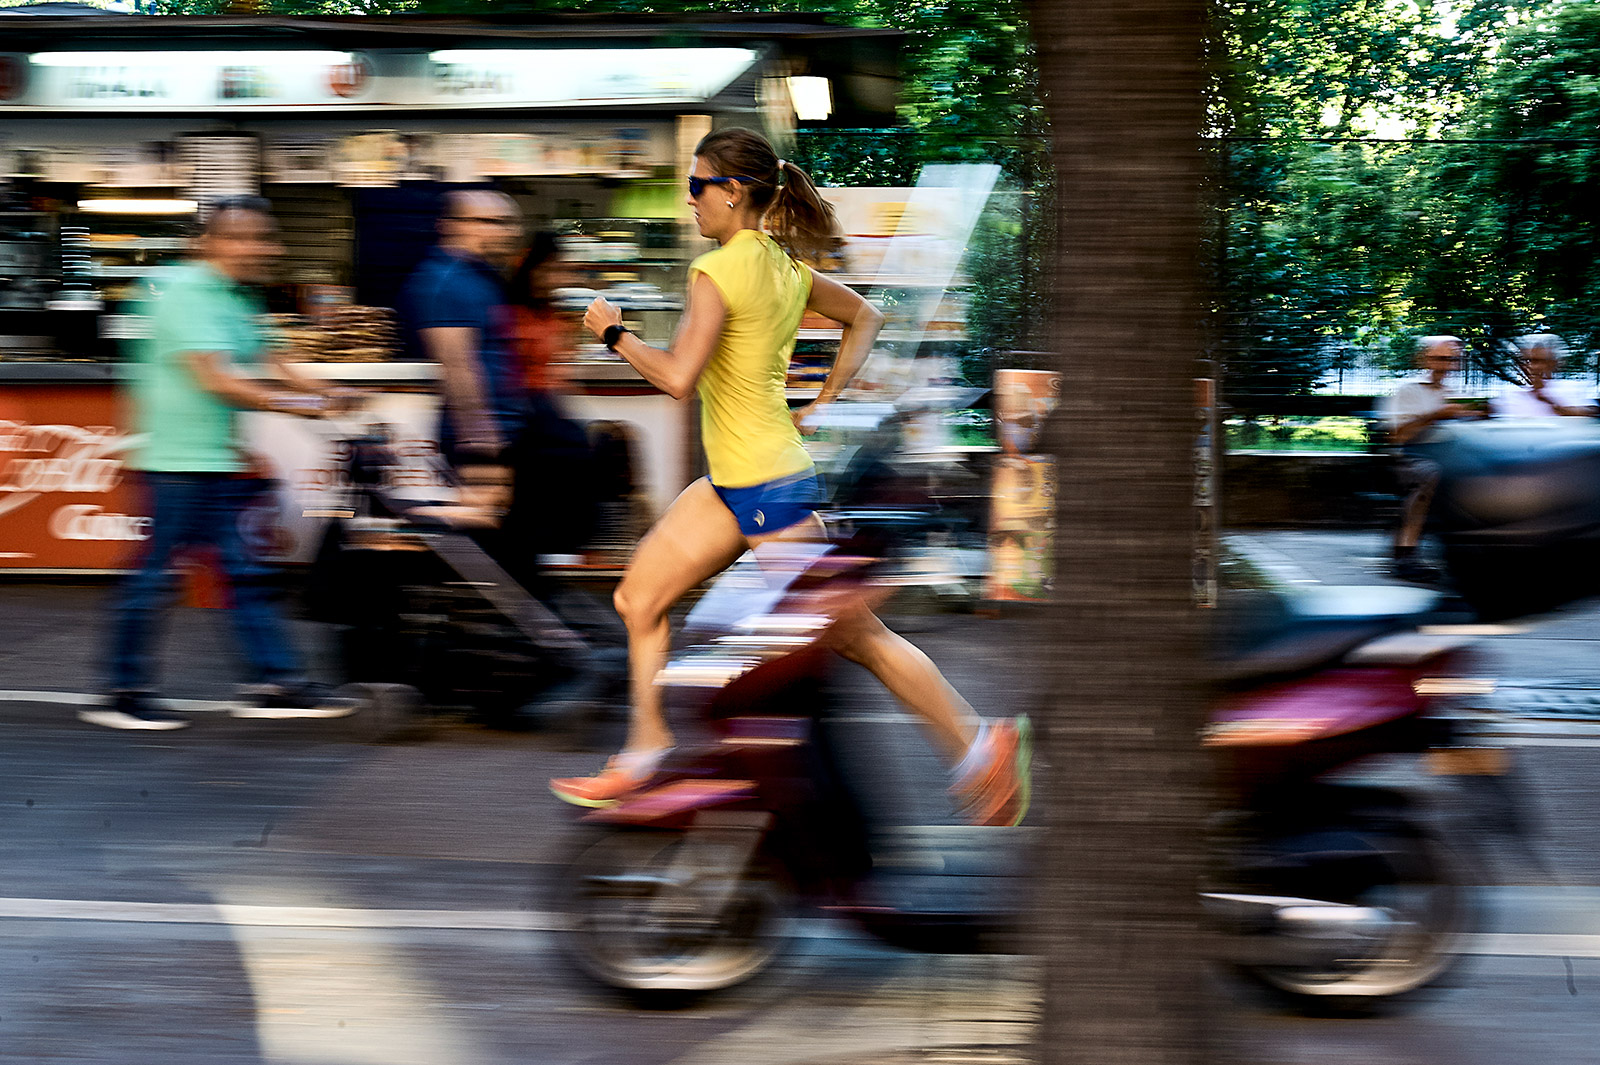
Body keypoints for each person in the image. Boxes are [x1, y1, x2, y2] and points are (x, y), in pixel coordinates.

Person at [549, 128, 1031, 827]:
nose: (689, 201)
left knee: (858, 638)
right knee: (638, 597)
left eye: (695, 186)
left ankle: (981, 744)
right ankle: (645, 745)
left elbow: (679, 378)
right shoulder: (782, 264)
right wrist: (826, 396)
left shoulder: (718, 270)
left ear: (732, 191)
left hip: (769, 491)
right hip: (738, 483)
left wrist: (613, 334)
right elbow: (863, 317)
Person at [87, 196, 356, 731]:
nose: (262, 248)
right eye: (246, 237)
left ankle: (274, 681)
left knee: (246, 572)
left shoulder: (239, 297)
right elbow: (216, 379)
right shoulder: (184, 291)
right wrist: (303, 404)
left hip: (216, 458)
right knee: (156, 577)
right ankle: (122, 691)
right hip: (173, 460)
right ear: (210, 241)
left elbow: (275, 360)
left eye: (266, 237)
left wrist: (330, 390)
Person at [401, 189, 525, 464]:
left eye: (509, 222)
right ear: (453, 225)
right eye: (492, 222)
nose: (510, 232)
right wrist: (481, 439)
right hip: (482, 442)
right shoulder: (446, 280)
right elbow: (457, 365)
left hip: (506, 430)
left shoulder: (480, 275)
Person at [1382, 334, 1485, 583]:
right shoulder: (1408, 390)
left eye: (1452, 360)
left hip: (1453, 455)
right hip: (1411, 457)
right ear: (1424, 359)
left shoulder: (1460, 391)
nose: (1447, 366)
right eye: (1441, 359)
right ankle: (1405, 553)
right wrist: (1436, 415)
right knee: (1431, 473)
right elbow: (1397, 436)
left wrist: (1477, 417)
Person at [1493, 334, 1597, 419]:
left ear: (1554, 363)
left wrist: (1548, 400)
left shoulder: (1572, 388)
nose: (1531, 366)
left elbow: (1590, 415)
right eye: (1527, 361)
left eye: (1539, 361)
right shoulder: (1511, 394)